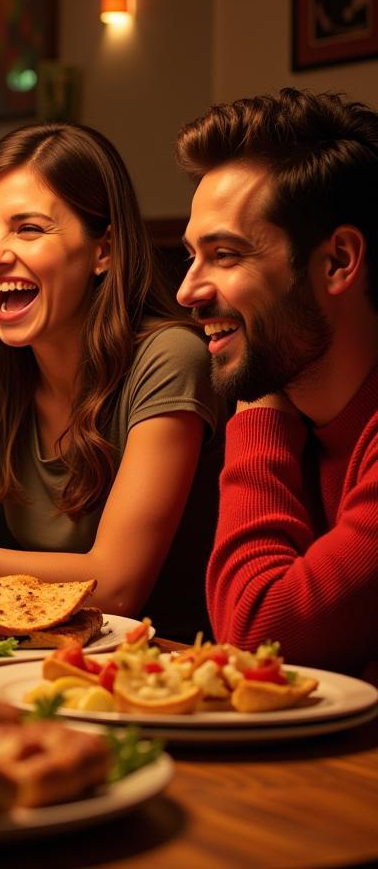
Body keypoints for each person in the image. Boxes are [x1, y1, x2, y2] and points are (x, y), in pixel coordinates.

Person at [0, 123, 226, 640]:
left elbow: (118, 585)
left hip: (156, 668)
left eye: (29, 229)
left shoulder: (169, 359)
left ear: (102, 251)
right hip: (25, 655)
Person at [176, 88, 378, 678]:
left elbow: (259, 628)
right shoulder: (296, 414)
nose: (188, 290)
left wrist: (258, 413)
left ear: (338, 261)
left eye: (226, 255)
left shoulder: (267, 416)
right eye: (192, 255)